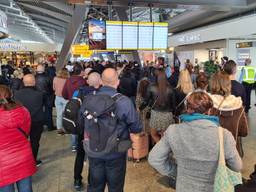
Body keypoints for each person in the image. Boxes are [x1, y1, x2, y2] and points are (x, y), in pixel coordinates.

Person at [148, 91, 242, 192]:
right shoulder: (224, 135)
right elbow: (237, 166)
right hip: (215, 187)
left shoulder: (173, 131)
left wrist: (176, 171)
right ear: (210, 110)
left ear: (188, 109)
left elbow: (154, 159)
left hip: (184, 187)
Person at [83, 68, 142, 192]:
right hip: (116, 151)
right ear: (117, 82)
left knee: (95, 186)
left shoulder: (88, 99)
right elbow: (136, 128)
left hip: (94, 149)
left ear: (101, 81)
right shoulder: (124, 102)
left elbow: (81, 121)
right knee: (115, 187)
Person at [0, 85, 36, 192]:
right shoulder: (23, 110)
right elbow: (27, 130)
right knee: (26, 189)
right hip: (23, 155)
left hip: (3, 162)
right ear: (11, 95)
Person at [73, 72, 102, 190]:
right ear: (100, 81)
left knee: (80, 154)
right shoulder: (103, 94)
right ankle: (91, 181)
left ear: (88, 81)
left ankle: (77, 179)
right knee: (94, 156)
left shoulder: (79, 91)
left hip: (81, 128)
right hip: (96, 130)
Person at [209, 72, 248, 157]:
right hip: (232, 152)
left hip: (213, 152)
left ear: (212, 85)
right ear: (229, 85)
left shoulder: (207, 106)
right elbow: (244, 132)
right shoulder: (238, 106)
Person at [14, 74, 44, 166]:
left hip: (21, 122)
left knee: (21, 142)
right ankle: (32, 161)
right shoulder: (39, 94)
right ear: (34, 82)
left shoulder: (16, 93)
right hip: (36, 121)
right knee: (35, 142)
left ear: (23, 82)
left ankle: (21, 160)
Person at [141, 70, 175, 143]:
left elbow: (146, 101)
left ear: (156, 78)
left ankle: (160, 148)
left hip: (156, 114)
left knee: (153, 134)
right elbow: (174, 105)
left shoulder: (151, 87)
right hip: (167, 115)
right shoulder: (171, 88)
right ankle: (164, 149)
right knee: (164, 135)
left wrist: (140, 108)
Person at [62, 63, 86, 152]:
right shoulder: (83, 82)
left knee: (72, 123)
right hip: (81, 106)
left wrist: (69, 99)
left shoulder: (68, 80)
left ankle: (74, 145)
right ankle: (82, 144)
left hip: (71, 105)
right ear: (81, 72)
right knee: (82, 124)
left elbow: (63, 93)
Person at [35, 64, 55, 131]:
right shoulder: (48, 77)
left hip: (37, 97)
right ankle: (50, 126)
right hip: (48, 96)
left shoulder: (34, 77)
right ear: (43, 70)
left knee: (38, 112)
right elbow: (52, 88)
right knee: (48, 111)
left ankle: (40, 126)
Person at [53, 68, 69, 135]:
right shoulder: (67, 80)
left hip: (57, 98)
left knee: (59, 114)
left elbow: (53, 88)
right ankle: (65, 128)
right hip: (65, 98)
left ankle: (59, 129)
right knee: (66, 114)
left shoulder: (55, 79)